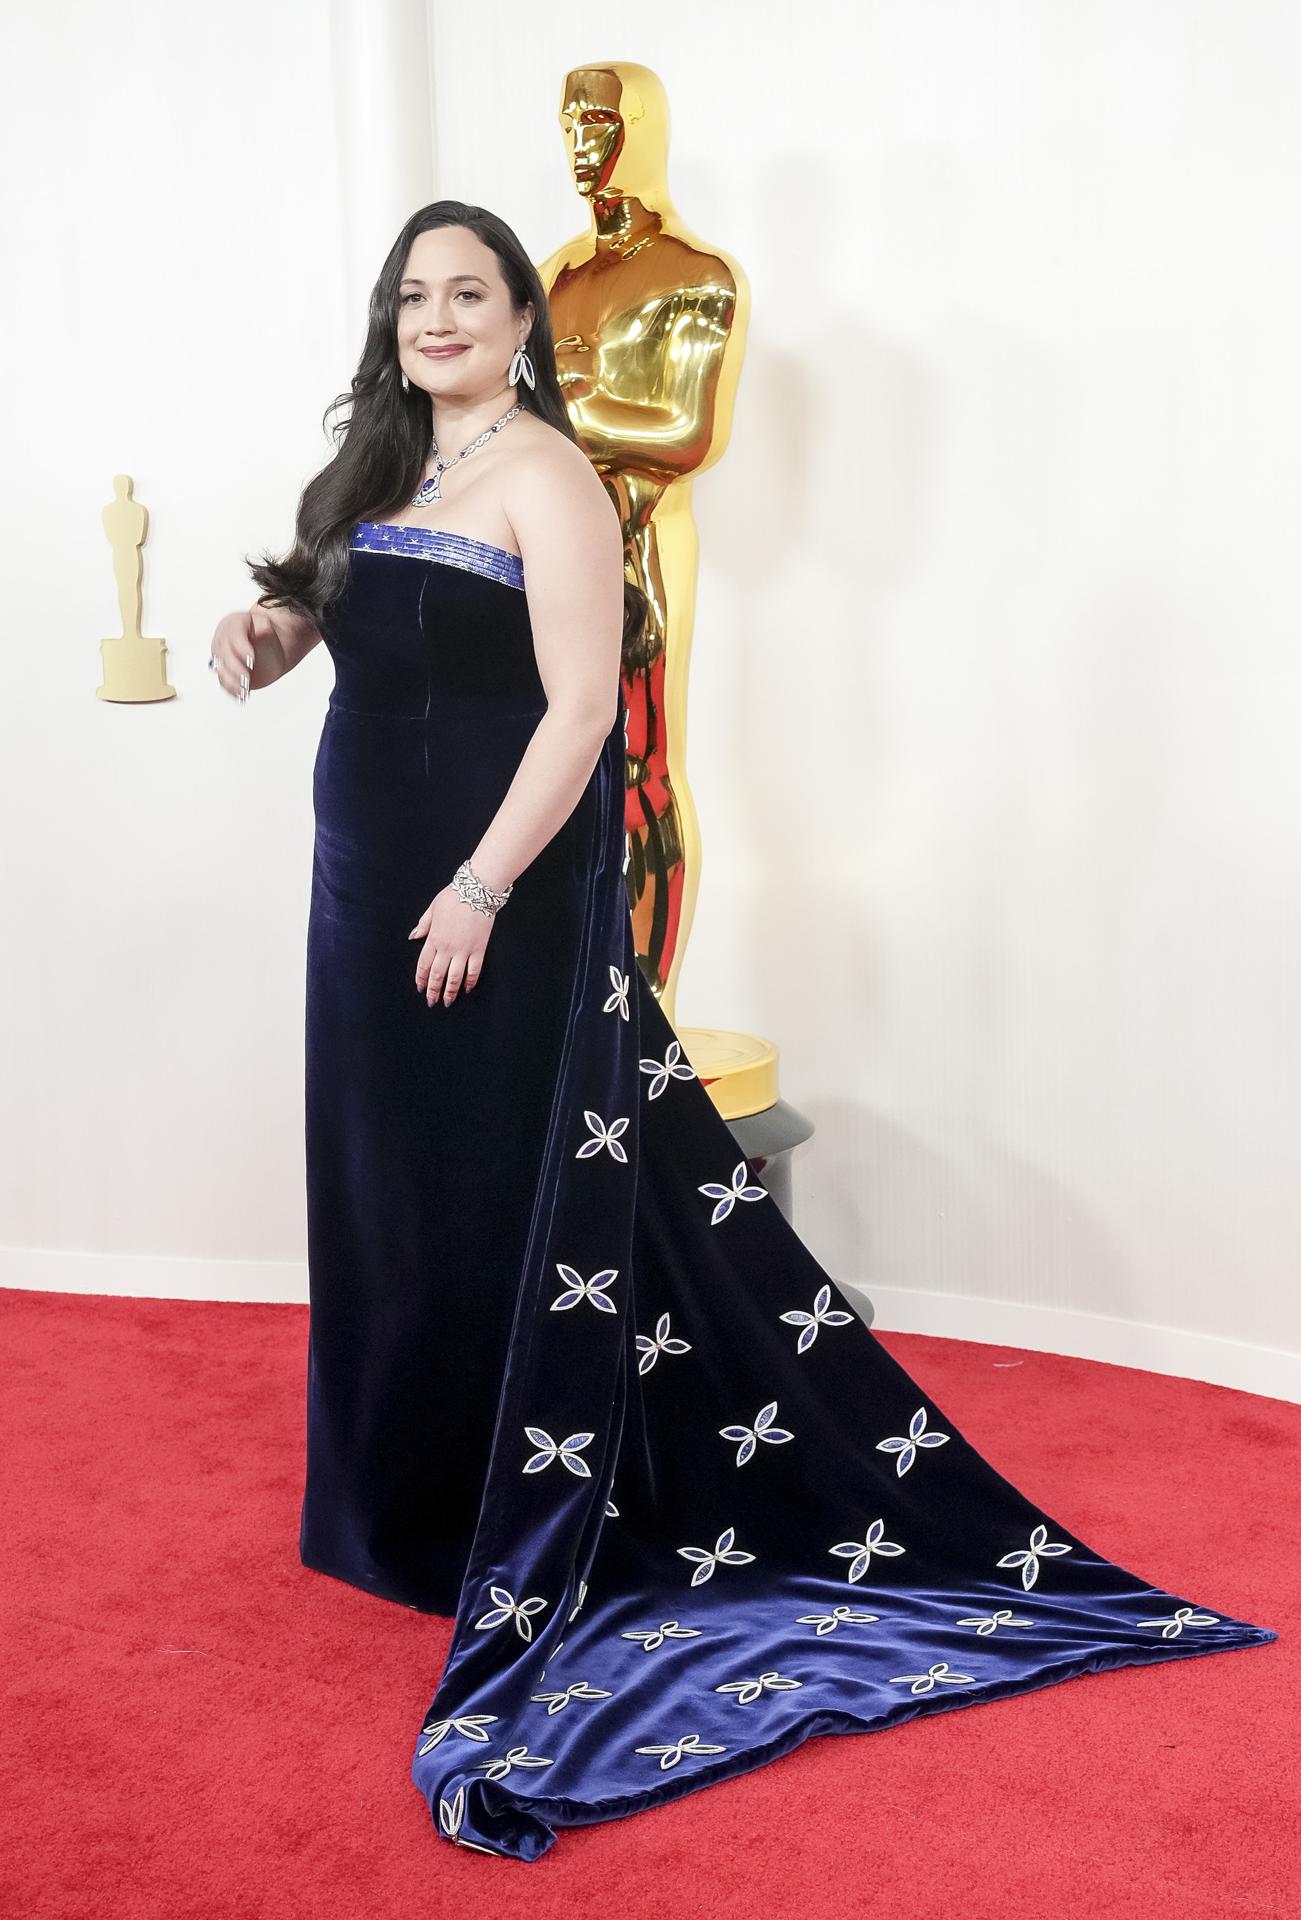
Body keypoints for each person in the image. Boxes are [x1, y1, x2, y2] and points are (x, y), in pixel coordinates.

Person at [208, 200, 1277, 1862]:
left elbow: (578, 707)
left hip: (489, 897)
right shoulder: (369, 471)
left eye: (468, 293)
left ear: (517, 320)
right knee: (383, 1191)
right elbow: (320, 635)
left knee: (496, 1200)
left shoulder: (548, 476)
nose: (436, 318)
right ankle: (395, 1515)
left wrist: (484, 885)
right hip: (362, 894)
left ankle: (519, 1516)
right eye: (412, 295)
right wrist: (255, 638)